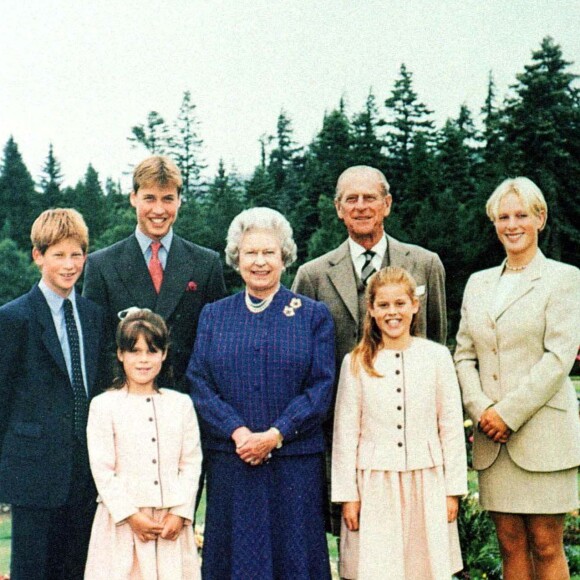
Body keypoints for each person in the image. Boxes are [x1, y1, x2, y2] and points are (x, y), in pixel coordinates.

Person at [292, 165, 447, 536]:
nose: (361, 207)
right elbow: (300, 361)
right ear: (338, 208)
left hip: (412, 442)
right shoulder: (312, 276)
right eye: (351, 199)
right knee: (358, 544)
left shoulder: (425, 264)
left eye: (370, 198)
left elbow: (438, 341)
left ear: (387, 204)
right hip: (341, 439)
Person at [187, 207, 335, 579]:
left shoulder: (313, 315)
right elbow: (199, 383)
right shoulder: (214, 315)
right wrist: (239, 433)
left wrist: (275, 434)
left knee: (295, 561)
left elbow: (321, 387)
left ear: (285, 256)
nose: (259, 261)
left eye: (269, 252)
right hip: (232, 464)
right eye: (250, 252)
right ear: (236, 258)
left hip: (294, 465)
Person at [455, 177, 580, 580]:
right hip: (493, 441)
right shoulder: (478, 283)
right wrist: (481, 409)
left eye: (521, 215)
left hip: (543, 433)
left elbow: (559, 358)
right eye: (503, 216)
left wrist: (507, 413)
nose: (512, 224)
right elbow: (464, 355)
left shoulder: (566, 279)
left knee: (545, 545)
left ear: (539, 218)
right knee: (509, 545)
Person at [332, 267, 466, 579]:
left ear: (415, 305)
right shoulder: (355, 362)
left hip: (427, 482)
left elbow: (450, 426)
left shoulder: (436, 357)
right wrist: (349, 496)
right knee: (380, 568)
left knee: (425, 568)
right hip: (375, 485)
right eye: (384, 305)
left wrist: (452, 491)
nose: (393, 312)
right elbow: (345, 434)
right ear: (372, 310)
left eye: (400, 304)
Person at [0, 209, 106, 579]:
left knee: (77, 570)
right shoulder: (13, 319)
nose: (69, 264)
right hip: (33, 474)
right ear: (38, 256)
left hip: (85, 474)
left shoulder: (94, 317)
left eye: (76, 254)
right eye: (58, 254)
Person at [83, 154, 226, 392]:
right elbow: (96, 348)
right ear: (133, 198)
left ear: (180, 200)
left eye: (168, 199)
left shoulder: (206, 263)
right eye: (149, 198)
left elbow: (217, 346)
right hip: (125, 404)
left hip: (190, 405)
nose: (158, 210)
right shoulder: (101, 265)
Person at [85, 308, 202, 579]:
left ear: (163, 354)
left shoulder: (180, 404)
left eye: (151, 351)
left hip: (170, 526)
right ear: (120, 354)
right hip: (123, 524)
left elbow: (191, 463)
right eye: (134, 351)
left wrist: (180, 513)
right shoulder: (104, 406)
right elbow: (103, 470)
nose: (143, 360)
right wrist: (131, 515)